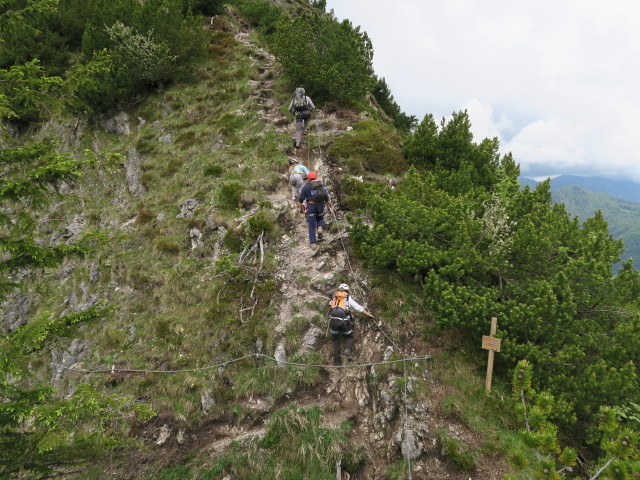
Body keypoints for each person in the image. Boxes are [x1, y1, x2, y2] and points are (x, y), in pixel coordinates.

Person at [328, 283, 373, 366]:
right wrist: (368, 314)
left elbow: (330, 309)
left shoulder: (333, 299)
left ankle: (337, 361)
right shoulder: (347, 298)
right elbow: (358, 307)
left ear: (338, 290)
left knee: (335, 340)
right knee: (350, 336)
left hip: (333, 322)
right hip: (344, 322)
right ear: (347, 291)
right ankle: (347, 349)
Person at [298, 171, 329, 249]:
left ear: (308, 179)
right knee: (320, 217)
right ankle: (320, 228)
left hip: (311, 206)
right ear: (316, 177)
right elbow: (326, 196)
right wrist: (328, 205)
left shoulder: (306, 186)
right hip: (320, 205)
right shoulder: (322, 186)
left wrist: (301, 207)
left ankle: (313, 243)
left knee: (311, 225)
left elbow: (301, 199)